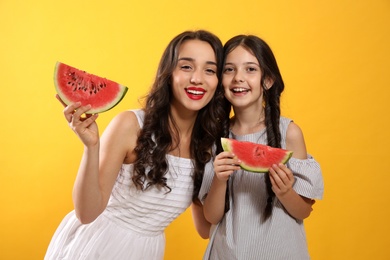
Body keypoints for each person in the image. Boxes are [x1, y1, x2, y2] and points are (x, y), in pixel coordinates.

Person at [45, 30, 226, 260]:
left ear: (218, 81)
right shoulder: (131, 125)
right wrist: (91, 147)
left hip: (146, 252)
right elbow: (86, 213)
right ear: (168, 73)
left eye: (209, 70)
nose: (197, 78)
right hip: (97, 245)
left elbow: (204, 230)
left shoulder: (207, 147)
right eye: (186, 67)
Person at [199, 35, 324, 260]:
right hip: (227, 254)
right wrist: (219, 179)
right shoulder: (214, 137)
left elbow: (304, 211)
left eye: (250, 69)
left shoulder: (289, 133)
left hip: (281, 253)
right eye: (229, 69)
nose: (238, 78)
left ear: (267, 80)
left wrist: (285, 191)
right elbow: (211, 217)